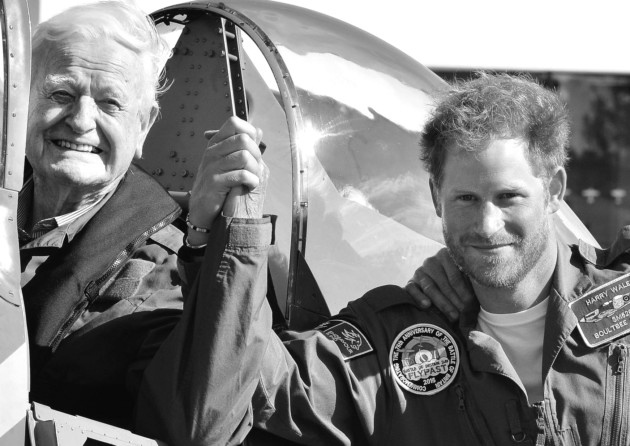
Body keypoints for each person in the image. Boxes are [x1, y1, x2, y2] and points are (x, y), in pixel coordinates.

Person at [139, 72, 630, 446]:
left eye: (508, 197)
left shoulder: (619, 301)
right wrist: (230, 236)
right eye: (465, 199)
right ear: (436, 196)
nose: (486, 224)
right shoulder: (386, 336)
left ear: (555, 192)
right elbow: (227, 406)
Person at [20, 0, 265, 430]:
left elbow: (198, 426)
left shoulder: (160, 275)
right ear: (22, 100)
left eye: (110, 103)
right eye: (61, 93)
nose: (80, 120)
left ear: (144, 126)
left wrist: (232, 232)